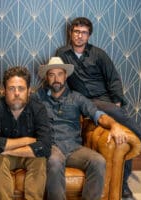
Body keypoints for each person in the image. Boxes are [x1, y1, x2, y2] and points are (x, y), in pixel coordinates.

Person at [56, 17, 141, 199]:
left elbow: (113, 78)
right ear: (70, 33)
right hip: (84, 101)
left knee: (125, 133)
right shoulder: (62, 54)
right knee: (116, 117)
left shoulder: (98, 54)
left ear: (89, 35)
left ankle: (123, 185)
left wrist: (117, 102)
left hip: (104, 99)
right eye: (76, 31)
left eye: (83, 33)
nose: (79, 36)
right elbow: (59, 77)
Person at [35, 56, 130, 200]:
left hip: (74, 148)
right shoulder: (38, 97)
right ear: (47, 77)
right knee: (54, 161)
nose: (56, 78)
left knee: (98, 161)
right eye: (52, 74)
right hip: (51, 147)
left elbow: (97, 114)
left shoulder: (77, 98)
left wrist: (114, 125)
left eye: (60, 74)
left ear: (65, 76)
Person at [0, 66, 52, 200]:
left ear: (29, 91)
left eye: (21, 88)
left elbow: (45, 147)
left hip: (25, 155)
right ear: (4, 91)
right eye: (11, 88)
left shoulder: (38, 108)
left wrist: (7, 150)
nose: (16, 93)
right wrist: (27, 141)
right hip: (11, 156)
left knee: (40, 159)